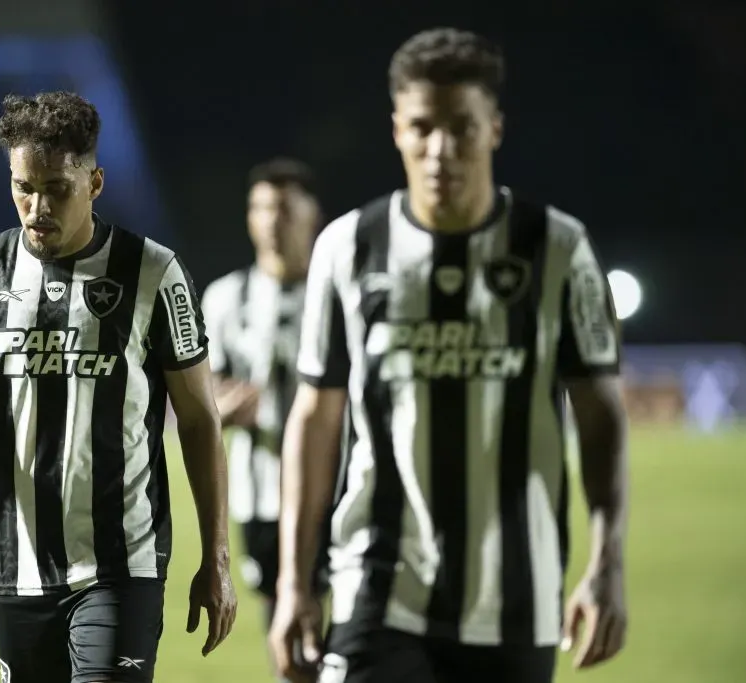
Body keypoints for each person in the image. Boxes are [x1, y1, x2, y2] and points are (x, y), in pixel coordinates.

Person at [268, 28, 630, 683]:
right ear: (397, 130)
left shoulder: (558, 249)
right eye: (422, 127)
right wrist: (296, 580)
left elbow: (601, 416)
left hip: (516, 595)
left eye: (461, 128)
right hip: (376, 584)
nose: (440, 149)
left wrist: (607, 562)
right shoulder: (347, 248)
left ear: (494, 128)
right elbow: (315, 418)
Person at [0, 91, 237, 683]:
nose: (36, 206)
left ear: (95, 182)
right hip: (16, 563)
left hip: (121, 562)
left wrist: (217, 556)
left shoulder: (153, 273)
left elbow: (201, 419)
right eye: (23, 187)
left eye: (57, 189)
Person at [200, 159, 327, 678]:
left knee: (346, 623)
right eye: (262, 209)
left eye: (286, 209)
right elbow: (201, 393)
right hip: (262, 494)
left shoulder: (338, 292)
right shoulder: (227, 298)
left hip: (335, 487)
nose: (274, 221)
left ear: (313, 216)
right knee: (287, 627)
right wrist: (218, 410)